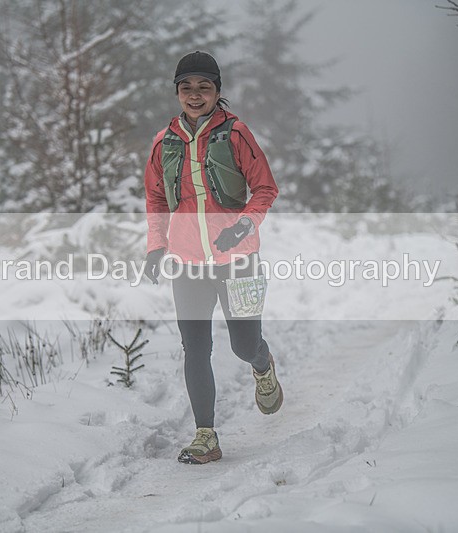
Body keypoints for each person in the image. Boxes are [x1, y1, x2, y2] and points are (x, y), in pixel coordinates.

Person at [142, 51, 283, 464]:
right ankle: (206, 435)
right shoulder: (163, 141)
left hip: (239, 258)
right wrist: (156, 245)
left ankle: (263, 362)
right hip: (187, 263)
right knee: (195, 347)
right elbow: (154, 198)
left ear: (217, 91)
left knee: (243, 345)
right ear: (177, 92)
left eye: (204, 87)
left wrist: (244, 225)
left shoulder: (236, 133)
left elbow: (265, 188)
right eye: (186, 87)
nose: (195, 95)